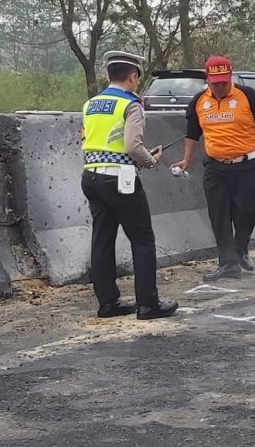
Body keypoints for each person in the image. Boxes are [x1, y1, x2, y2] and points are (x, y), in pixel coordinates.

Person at [81, 51, 178, 320]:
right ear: (133, 76)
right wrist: (151, 160)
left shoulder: (91, 104)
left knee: (102, 239)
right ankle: (148, 304)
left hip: (90, 176)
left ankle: (108, 303)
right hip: (120, 178)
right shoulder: (131, 104)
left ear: (108, 75)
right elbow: (132, 146)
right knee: (142, 238)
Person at [170, 56, 255, 281]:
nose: (220, 87)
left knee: (247, 210)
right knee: (218, 214)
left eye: (223, 82)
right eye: (215, 83)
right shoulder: (199, 102)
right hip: (215, 165)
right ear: (208, 80)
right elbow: (192, 134)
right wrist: (186, 160)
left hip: (248, 163)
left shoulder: (248, 96)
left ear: (230, 76)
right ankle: (228, 263)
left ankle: (240, 248)